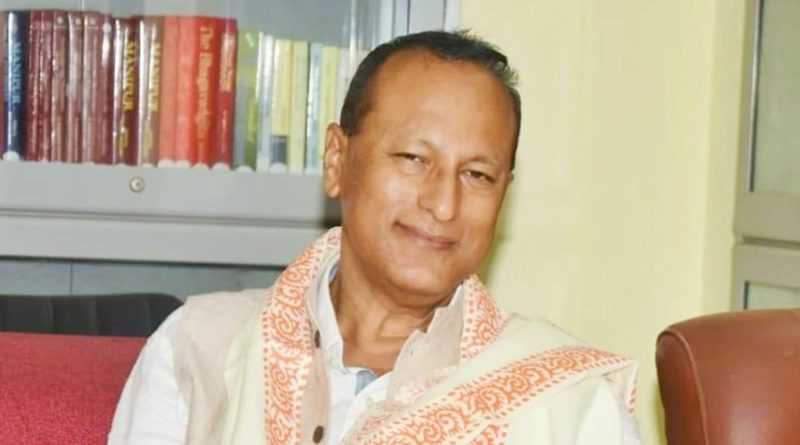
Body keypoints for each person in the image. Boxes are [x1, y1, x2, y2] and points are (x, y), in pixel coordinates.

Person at [109, 30, 642, 445]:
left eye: (478, 174)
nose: (443, 204)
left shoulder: (569, 402)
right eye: (413, 158)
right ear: (337, 160)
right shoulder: (201, 348)